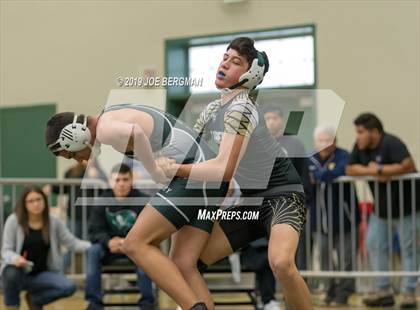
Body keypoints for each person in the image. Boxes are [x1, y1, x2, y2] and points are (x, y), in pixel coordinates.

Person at [161, 37, 312, 310]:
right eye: (225, 57)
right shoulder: (210, 110)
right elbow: (191, 152)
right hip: (248, 200)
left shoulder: (243, 108)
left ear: (250, 75)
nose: (225, 63)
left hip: (282, 195)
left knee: (281, 263)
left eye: (236, 62)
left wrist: (177, 169)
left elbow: (223, 169)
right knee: (186, 262)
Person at [45, 102, 229, 310]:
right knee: (183, 263)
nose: (78, 161)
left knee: (134, 243)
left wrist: (153, 171)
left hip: (196, 176)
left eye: (72, 154)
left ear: (74, 136)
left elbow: (136, 131)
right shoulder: (112, 115)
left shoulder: (104, 129)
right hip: (207, 176)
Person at [346, 113, 420, 308]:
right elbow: (350, 169)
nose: (357, 136)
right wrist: (375, 171)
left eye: (361, 132)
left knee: (410, 249)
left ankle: (409, 294)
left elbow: (408, 165)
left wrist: (381, 170)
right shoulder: (360, 147)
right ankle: (384, 291)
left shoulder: (391, 143)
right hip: (381, 210)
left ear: (375, 132)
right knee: (374, 245)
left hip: (408, 207)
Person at [1, 186, 91, 310]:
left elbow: (72, 243)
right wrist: (15, 258)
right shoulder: (14, 220)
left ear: (44, 201)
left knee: (68, 287)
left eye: (39, 199)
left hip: (42, 275)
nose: (36, 204)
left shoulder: (54, 222)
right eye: (31, 201)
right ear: (24, 204)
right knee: (10, 273)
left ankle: (35, 299)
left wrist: (95, 246)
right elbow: (6, 250)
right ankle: (12, 306)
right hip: (18, 273)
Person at [86, 163, 155, 310]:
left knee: (146, 253)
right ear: (110, 182)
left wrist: (128, 242)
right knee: (93, 251)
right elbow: (94, 231)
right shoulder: (101, 201)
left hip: (135, 248)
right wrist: (108, 241)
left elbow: (150, 230)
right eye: (117, 180)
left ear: (131, 181)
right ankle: (94, 303)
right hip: (109, 248)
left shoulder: (143, 200)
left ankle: (147, 304)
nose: (121, 184)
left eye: (125, 179)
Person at [307, 125, 360, 306]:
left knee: (346, 258)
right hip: (318, 221)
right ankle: (329, 290)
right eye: (320, 140)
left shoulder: (344, 155)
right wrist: (318, 175)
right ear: (315, 142)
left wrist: (319, 175)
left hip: (345, 219)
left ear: (335, 142)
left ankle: (343, 293)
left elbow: (340, 170)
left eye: (327, 140)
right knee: (323, 257)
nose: (324, 144)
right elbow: (304, 177)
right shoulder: (309, 158)